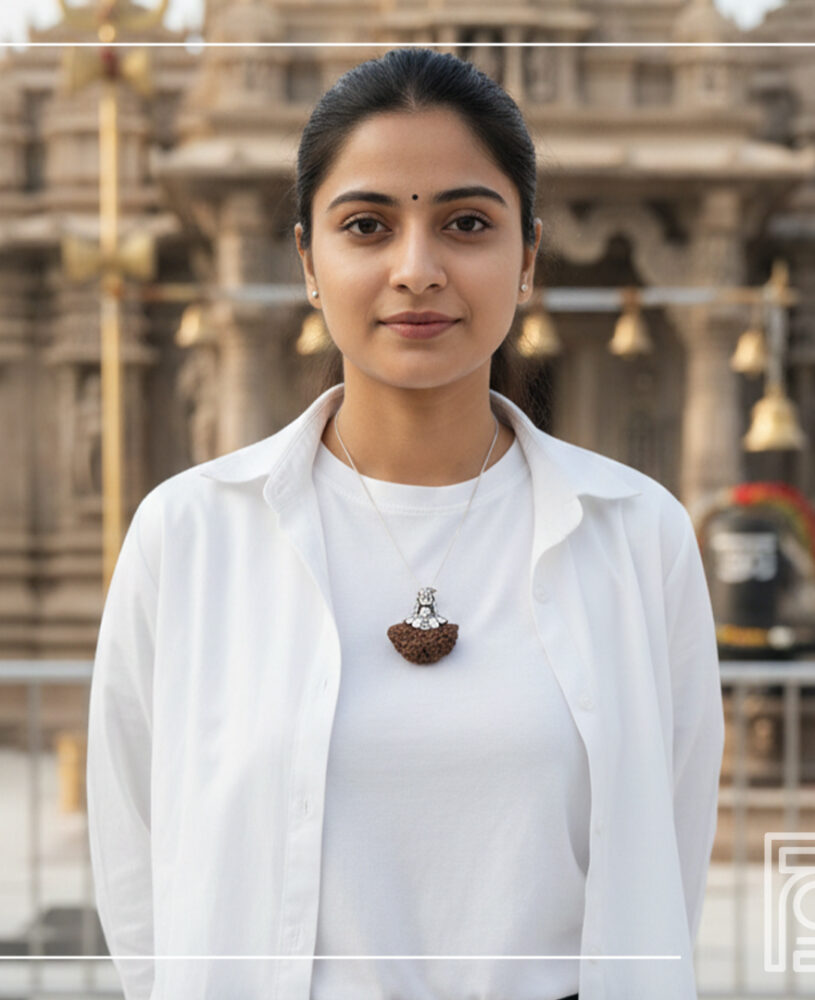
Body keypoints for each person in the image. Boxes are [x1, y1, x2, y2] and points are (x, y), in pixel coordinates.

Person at [86, 47, 725, 1000]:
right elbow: (134, 857)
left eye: (466, 223)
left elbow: (666, 851)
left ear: (526, 257)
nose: (416, 270)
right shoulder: (191, 535)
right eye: (366, 226)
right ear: (308, 260)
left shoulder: (635, 536)